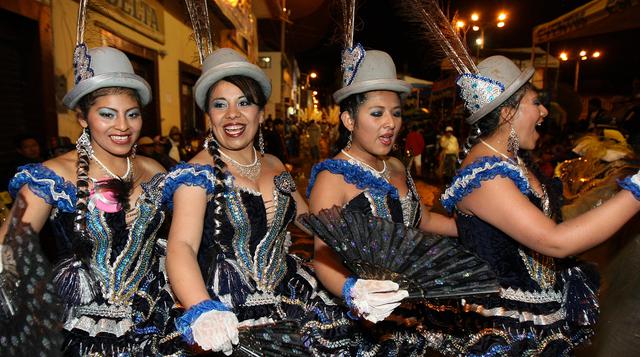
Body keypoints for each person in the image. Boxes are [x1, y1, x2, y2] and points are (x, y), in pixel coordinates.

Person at [437, 55, 640, 355]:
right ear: (507, 113)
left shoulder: (515, 160)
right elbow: (556, 241)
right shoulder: (485, 177)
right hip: (505, 330)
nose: (544, 111)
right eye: (535, 103)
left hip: (539, 316)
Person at [161, 48, 352, 355]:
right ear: (208, 116)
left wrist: (354, 240)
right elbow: (180, 247)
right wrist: (202, 309)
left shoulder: (275, 164)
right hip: (226, 308)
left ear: (260, 113)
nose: (232, 115)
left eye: (244, 103)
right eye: (220, 105)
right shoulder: (196, 174)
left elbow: (307, 219)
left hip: (288, 297)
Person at [0, 42, 171, 355]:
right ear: (82, 117)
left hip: (155, 318)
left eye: (132, 114)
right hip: (82, 331)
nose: (123, 126)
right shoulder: (53, 175)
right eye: (107, 114)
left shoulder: (155, 170)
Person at [307, 48, 458, 355]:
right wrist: (355, 291)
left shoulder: (398, 167)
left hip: (412, 313)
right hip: (361, 324)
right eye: (377, 113)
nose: (390, 123)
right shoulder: (331, 179)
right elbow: (322, 259)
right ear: (349, 119)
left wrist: (470, 227)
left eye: (396, 113)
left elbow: (423, 220)